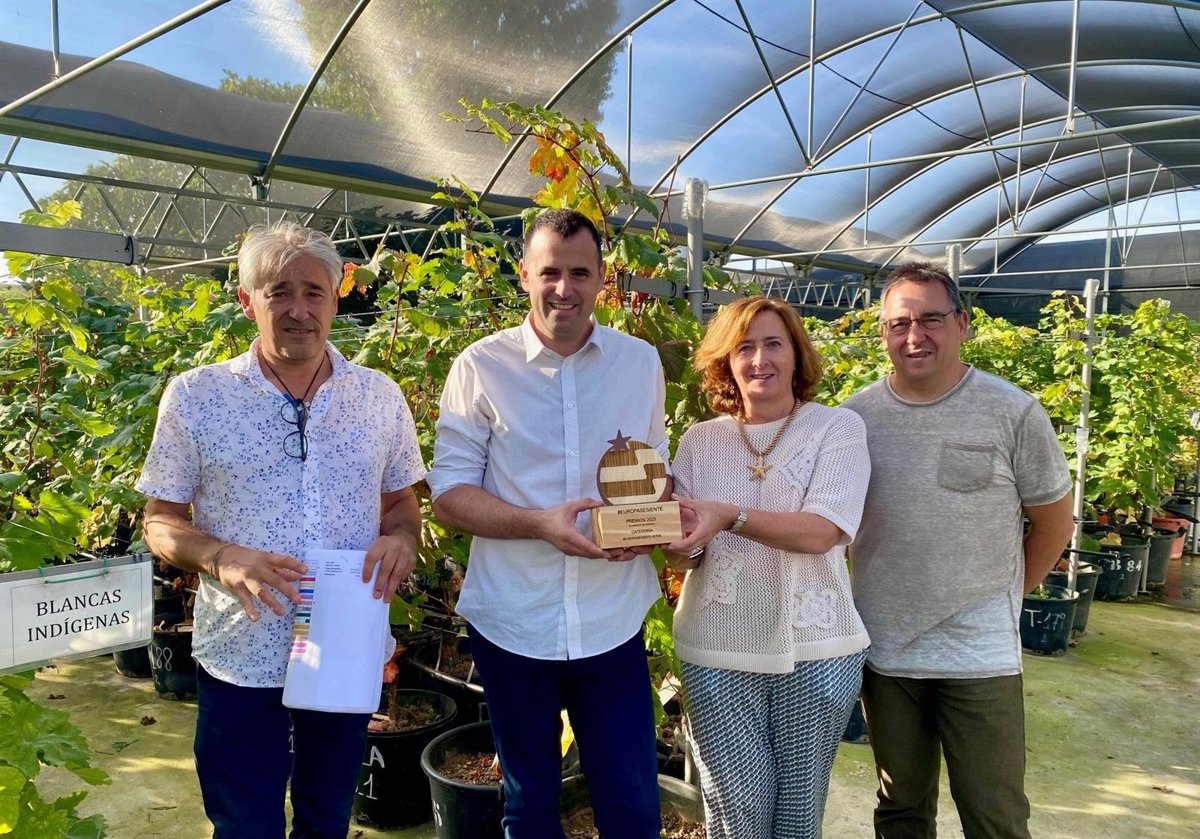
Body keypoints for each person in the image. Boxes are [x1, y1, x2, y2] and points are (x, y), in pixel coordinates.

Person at [137, 221, 426, 839]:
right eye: (279, 293)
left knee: (327, 817)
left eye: (313, 291)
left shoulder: (379, 397)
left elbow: (401, 504)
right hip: (241, 650)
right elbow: (159, 522)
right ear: (248, 301)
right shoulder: (197, 396)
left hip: (344, 644)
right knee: (244, 823)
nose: (299, 310)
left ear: (337, 297)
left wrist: (402, 539)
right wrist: (220, 556)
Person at [428, 208, 663, 838]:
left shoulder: (639, 364)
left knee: (633, 804)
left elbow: (652, 470)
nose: (564, 288)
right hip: (514, 621)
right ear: (525, 274)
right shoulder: (481, 367)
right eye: (550, 272)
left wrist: (648, 526)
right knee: (529, 803)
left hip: (611, 618)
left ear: (602, 278)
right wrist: (539, 523)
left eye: (580, 273)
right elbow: (449, 495)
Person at [843, 261, 1074, 839]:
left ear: (963, 324)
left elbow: (1053, 523)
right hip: (887, 651)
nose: (914, 336)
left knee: (994, 815)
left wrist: (1000, 596)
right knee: (900, 808)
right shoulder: (854, 420)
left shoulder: (1012, 411)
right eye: (899, 323)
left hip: (979, 655)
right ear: (883, 333)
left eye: (931, 319)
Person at [663, 296, 872, 839]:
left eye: (773, 344)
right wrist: (672, 543)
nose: (760, 360)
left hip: (817, 648)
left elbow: (823, 531)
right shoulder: (701, 441)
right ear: (726, 362)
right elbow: (690, 554)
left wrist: (729, 516)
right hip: (717, 649)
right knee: (737, 816)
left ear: (796, 354)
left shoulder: (836, 428)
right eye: (744, 348)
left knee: (798, 816)